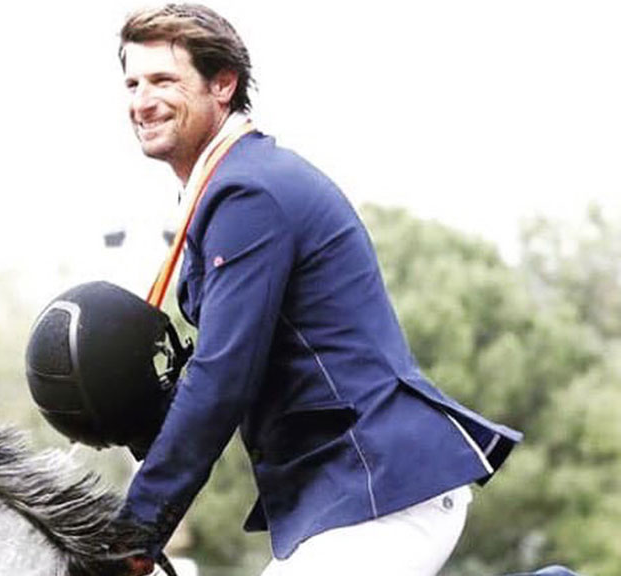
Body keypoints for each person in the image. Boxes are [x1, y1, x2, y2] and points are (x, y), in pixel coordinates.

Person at [113, 4, 522, 575]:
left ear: (222, 84)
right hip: (345, 496)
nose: (142, 101)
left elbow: (223, 376)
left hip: (379, 489)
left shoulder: (247, 194)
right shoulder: (232, 186)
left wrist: (134, 534)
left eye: (163, 80)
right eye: (133, 84)